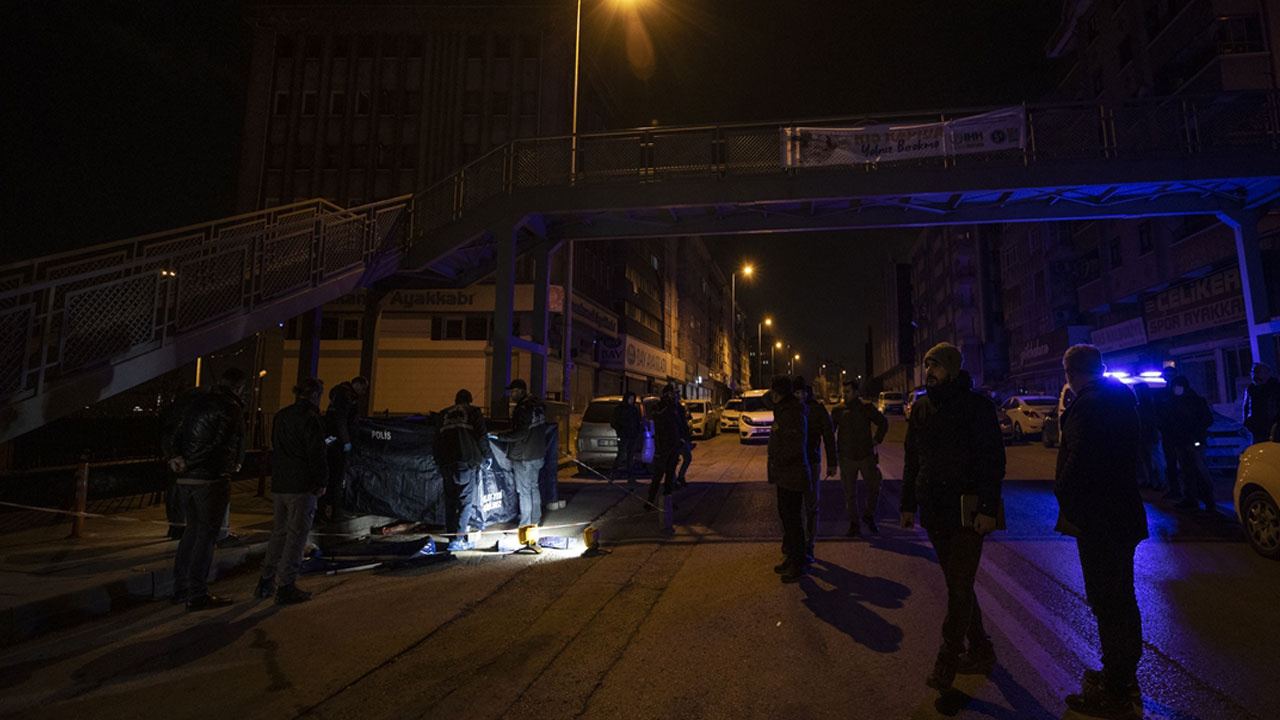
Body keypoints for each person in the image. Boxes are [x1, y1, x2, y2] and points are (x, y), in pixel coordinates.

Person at [900, 343, 1005, 691]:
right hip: (934, 510)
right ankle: (980, 646)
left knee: (959, 585)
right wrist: (907, 504)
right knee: (958, 584)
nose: (929, 371)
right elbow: (912, 459)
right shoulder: (922, 408)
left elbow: (993, 462)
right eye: (927, 365)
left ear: (953, 369)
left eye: (936, 366)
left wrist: (989, 508)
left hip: (968, 512)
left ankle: (948, 657)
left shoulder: (977, 407)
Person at [1055, 344, 1148, 717]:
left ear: (1070, 373)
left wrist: (1068, 501)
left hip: (1099, 518)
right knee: (1121, 598)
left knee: (1109, 602)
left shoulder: (1088, 404)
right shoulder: (1121, 400)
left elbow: (1077, 463)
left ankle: (1117, 690)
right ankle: (1120, 676)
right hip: (1122, 512)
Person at [165, 367, 247, 611]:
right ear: (238, 388)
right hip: (210, 478)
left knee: (191, 532)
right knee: (206, 536)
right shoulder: (230, 408)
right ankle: (198, 593)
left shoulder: (196, 403)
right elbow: (218, 445)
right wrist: (192, 461)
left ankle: (180, 588)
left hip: (186, 479)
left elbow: (175, 433)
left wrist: (176, 457)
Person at [255, 378, 328, 605]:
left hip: (281, 483)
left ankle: (266, 579)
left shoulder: (281, 416)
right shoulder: (311, 420)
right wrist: (321, 481)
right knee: (296, 537)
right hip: (301, 485)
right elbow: (316, 454)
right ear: (315, 395)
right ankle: (286, 585)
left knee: (279, 533)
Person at [435, 389, 493, 551]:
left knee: (450, 501)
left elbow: (436, 440)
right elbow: (482, 435)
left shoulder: (443, 414)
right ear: (469, 401)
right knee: (465, 502)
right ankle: (458, 540)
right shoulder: (473, 412)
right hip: (465, 461)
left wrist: (438, 461)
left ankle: (451, 538)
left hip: (446, 463)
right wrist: (487, 455)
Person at [831, 379, 889, 537]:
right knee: (849, 493)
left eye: (848, 391)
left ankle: (868, 515)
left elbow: (883, 422)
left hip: (866, 456)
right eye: (844, 392)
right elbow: (830, 431)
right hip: (847, 457)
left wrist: (877, 439)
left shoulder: (866, 408)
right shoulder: (838, 410)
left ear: (856, 392)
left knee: (874, 486)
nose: (845, 395)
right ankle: (854, 523)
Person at [768, 376, 809, 583]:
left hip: (791, 474)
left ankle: (798, 564)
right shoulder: (784, 411)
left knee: (793, 521)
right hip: (785, 474)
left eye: (773, 391)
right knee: (786, 519)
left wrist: (778, 462)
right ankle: (791, 558)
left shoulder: (791, 413)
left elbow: (793, 446)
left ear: (779, 393)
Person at [495, 379, 547, 527]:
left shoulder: (522, 409)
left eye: (513, 391)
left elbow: (520, 433)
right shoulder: (538, 406)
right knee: (534, 487)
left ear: (521, 392)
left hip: (524, 456)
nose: (510, 394)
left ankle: (525, 525)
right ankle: (535, 521)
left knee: (524, 491)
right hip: (538, 454)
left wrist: (500, 436)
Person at [797, 382, 836, 561]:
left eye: (802, 392)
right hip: (793, 464)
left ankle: (809, 543)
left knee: (811, 505)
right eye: (795, 392)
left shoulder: (817, 410)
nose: (799, 395)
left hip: (811, 461)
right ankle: (795, 544)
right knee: (794, 507)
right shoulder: (789, 409)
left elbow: (828, 436)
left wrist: (832, 462)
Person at [1165, 376, 1216, 512]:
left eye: (1178, 386)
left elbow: (1207, 420)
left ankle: (1209, 501)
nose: (1176, 389)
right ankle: (1190, 498)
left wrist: (1195, 432)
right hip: (1180, 441)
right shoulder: (1173, 402)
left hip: (1194, 441)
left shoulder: (1196, 401)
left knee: (1201, 471)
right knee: (1187, 471)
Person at [322, 376, 368, 523]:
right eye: (363, 388)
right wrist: (346, 441)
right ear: (357, 385)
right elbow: (341, 420)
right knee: (337, 477)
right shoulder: (346, 397)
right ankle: (335, 512)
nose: (364, 392)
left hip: (333, 440)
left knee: (331, 476)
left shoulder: (339, 395)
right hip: (339, 443)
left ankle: (325, 511)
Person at [647, 383, 688, 507]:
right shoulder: (659, 406)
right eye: (670, 393)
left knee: (670, 475)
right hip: (662, 446)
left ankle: (668, 501)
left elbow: (682, 425)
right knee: (658, 475)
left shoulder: (677, 408)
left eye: (674, 394)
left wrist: (683, 439)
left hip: (674, 445)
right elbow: (656, 418)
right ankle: (650, 501)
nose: (673, 396)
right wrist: (667, 406)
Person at [1153, 366, 1183, 501]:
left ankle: (1188, 492)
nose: (1168, 377)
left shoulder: (1179, 391)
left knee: (1185, 463)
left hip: (1180, 434)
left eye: (1170, 374)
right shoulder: (1163, 393)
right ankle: (1175, 490)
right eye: (1167, 374)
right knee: (1171, 465)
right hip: (1169, 433)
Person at [1132, 383, 1165, 491]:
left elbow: (1149, 421)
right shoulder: (1148, 405)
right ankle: (1155, 481)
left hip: (1147, 435)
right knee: (1151, 459)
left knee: (1151, 459)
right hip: (1146, 435)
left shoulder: (1144, 406)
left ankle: (1157, 481)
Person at [610, 392, 643, 486]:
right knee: (621, 455)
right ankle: (613, 473)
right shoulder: (619, 409)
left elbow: (638, 421)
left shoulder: (634, 410)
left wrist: (637, 431)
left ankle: (630, 477)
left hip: (632, 436)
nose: (631, 401)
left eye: (633, 399)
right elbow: (614, 422)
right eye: (630, 399)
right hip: (624, 436)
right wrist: (620, 431)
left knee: (630, 457)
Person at [1242, 363, 1280, 446]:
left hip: (1272, 427)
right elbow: (1246, 408)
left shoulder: (1275, 387)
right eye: (1253, 372)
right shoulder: (1251, 389)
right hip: (1255, 427)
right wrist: (1246, 422)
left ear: (1267, 373)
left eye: (1258, 372)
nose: (1255, 375)